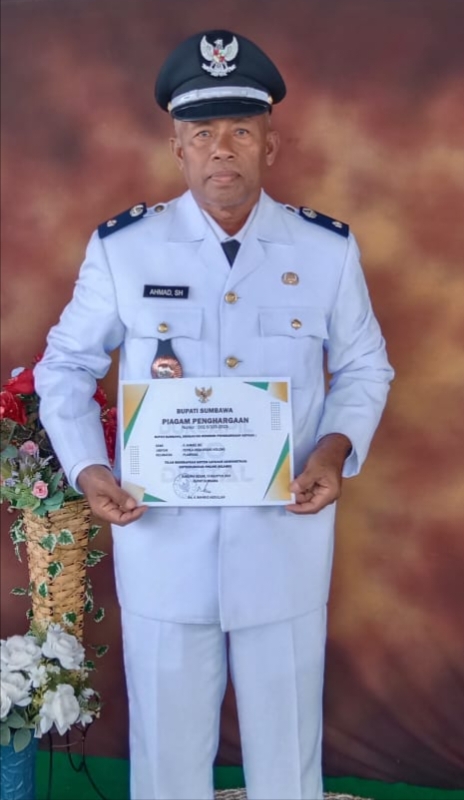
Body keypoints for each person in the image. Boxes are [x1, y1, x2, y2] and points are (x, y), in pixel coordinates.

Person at [35, 29, 394, 800]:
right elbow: (64, 366)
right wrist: (89, 467)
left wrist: (334, 449)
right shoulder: (125, 250)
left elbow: (365, 366)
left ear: (271, 144)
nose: (220, 149)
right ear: (177, 147)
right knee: (166, 758)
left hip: (284, 537)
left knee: (287, 755)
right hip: (162, 538)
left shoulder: (325, 251)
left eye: (240, 131)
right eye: (202, 133)